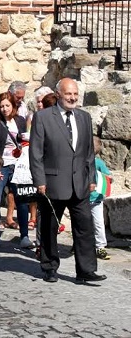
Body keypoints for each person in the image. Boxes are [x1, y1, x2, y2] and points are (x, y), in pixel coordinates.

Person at [29, 77, 106, 284]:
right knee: (49, 227)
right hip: (52, 183)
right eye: (68, 94)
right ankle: (49, 267)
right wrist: (39, 180)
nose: (72, 98)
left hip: (80, 184)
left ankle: (86, 270)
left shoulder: (83, 117)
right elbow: (35, 152)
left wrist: (91, 178)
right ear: (59, 94)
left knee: (84, 227)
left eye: (75, 94)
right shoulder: (43, 117)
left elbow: (89, 153)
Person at [0, 91, 30, 248]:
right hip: (2, 164)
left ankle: (24, 235)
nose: (4, 109)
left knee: (22, 199)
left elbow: (23, 141)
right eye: (1, 106)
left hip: (18, 165)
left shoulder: (19, 121)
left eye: (7, 105)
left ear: (13, 106)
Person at [90, 136, 111, 260]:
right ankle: (79, 243)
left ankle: (100, 246)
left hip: (96, 198)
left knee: (98, 223)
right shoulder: (79, 161)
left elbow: (107, 176)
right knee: (84, 224)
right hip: (83, 199)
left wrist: (109, 179)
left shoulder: (98, 163)